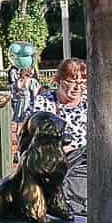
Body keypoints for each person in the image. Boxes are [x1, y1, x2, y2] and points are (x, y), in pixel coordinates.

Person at [29, 58, 88, 214]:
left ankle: (72, 204)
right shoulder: (44, 102)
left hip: (83, 158)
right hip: (52, 159)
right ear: (60, 80)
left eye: (82, 82)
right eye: (71, 81)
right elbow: (33, 133)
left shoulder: (91, 103)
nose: (78, 87)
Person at [9, 64, 42, 142]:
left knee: (23, 121)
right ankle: (18, 139)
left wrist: (33, 105)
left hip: (27, 103)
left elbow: (35, 95)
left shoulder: (31, 81)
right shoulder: (18, 81)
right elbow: (14, 93)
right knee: (19, 122)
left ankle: (23, 138)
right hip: (20, 103)